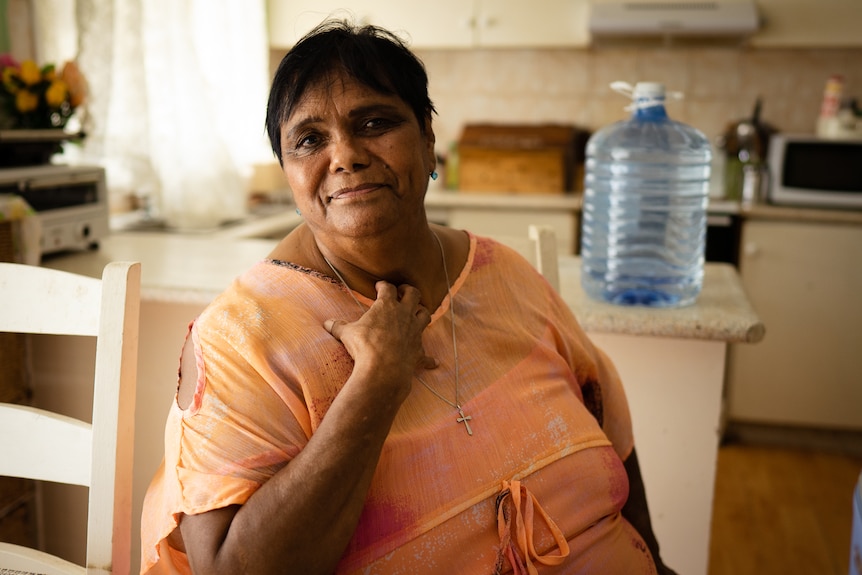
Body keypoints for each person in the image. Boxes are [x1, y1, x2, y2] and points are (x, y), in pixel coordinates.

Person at [140, 19, 678, 575]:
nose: (345, 155)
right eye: (309, 140)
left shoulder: (502, 273)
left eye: (374, 123)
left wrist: (657, 563)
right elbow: (231, 568)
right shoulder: (241, 336)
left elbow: (609, 424)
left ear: (427, 137)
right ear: (287, 172)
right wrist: (376, 383)